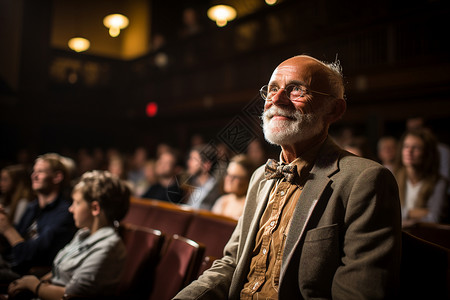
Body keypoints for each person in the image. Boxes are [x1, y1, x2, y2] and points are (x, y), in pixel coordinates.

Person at [175, 55, 401, 299]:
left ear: (334, 110)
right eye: (272, 89)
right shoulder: (260, 177)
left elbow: (358, 294)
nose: (277, 99)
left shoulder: (365, 179)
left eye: (296, 90)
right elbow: (231, 263)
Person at [7, 170, 130, 299]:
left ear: (95, 208)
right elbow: (58, 272)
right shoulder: (84, 234)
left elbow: (72, 295)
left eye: (77, 203)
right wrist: (34, 283)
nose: (71, 209)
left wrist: (34, 285)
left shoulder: (107, 247)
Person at [0, 153, 76, 278]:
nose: (34, 176)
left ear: (57, 177)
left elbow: (30, 256)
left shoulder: (64, 213)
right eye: (33, 171)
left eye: (40, 171)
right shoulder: (32, 207)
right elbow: (11, 247)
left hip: (32, 274)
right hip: (12, 266)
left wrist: (8, 229)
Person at [393, 128, 449, 226]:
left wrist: (403, 215)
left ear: (427, 153)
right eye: (406, 146)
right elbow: (387, 212)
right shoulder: (393, 177)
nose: (409, 151)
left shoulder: (439, 182)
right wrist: (414, 213)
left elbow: (433, 218)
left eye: (416, 148)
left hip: (423, 238)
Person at [212, 155, 256, 220]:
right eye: (228, 174)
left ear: (248, 180)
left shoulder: (250, 207)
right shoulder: (222, 201)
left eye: (235, 177)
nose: (229, 179)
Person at [184, 144, 222, 210]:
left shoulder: (217, 190)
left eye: (193, 159)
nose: (189, 163)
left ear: (206, 165)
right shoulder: (191, 185)